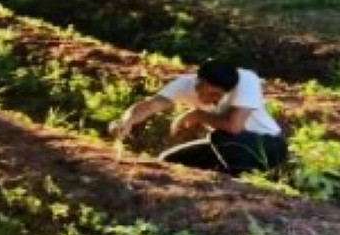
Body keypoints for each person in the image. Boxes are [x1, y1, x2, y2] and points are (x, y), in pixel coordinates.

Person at [109, 60, 287, 175]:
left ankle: (242, 183)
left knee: (220, 135)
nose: (209, 99)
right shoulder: (183, 84)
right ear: (198, 80)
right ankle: (224, 178)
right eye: (205, 91)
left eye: (217, 95)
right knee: (169, 161)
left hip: (269, 146)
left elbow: (234, 127)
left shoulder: (246, 79)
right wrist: (126, 121)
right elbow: (151, 105)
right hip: (231, 147)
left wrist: (197, 114)